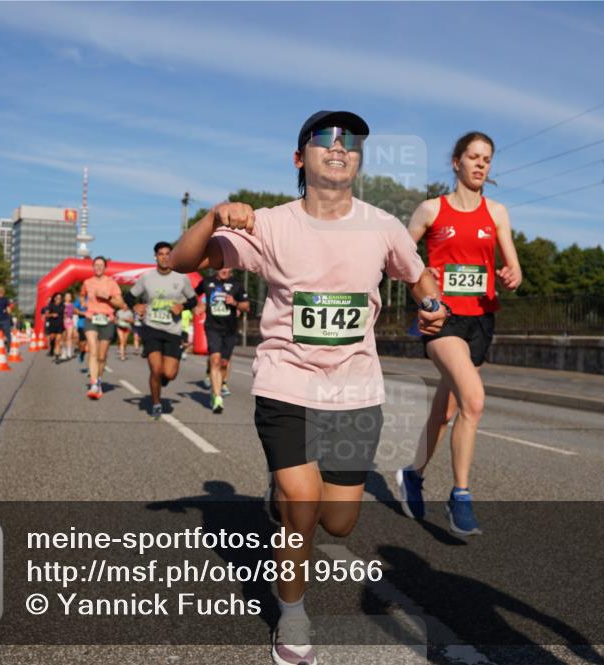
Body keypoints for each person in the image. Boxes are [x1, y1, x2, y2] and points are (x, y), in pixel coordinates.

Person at [168, 110, 446, 665]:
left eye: (350, 141)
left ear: (358, 160)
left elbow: (416, 273)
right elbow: (185, 261)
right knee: (303, 501)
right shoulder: (269, 224)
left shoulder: (382, 225)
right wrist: (214, 216)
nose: (338, 146)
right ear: (301, 158)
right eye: (324, 139)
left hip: (355, 393)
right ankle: (293, 616)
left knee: (339, 522)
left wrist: (432, 303)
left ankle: (283, 495)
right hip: (286, 384)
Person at [396, 131, 522, 537]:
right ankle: (461, 496)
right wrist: (422, 274)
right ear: (456, 162)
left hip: (481, 319)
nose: (481, 164)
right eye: (473, 157)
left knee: (445, 411)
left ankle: (412, 474)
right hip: (443, 318)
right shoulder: (431, 210)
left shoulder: (498, 213)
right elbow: (396, 255)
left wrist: (510, 274)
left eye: (487, 158)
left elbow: (513, 270)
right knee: (474, 400)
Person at [128, 241, 198, 420]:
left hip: (173, 331)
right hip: (151, 328)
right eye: (161, 254)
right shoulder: (147, 278)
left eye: (168, 254)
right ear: (155, 257)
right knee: (156, 369)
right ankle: (156, 403)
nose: (165, 257)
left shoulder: (181, 278)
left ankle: (163, 379)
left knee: (170, 373)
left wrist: (182, 306)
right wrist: (136, 306)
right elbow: (129, 296)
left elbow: (193, 300)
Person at [196, 267, 249, 411]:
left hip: (230, 329)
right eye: (221, 267)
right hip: (212, 327)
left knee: (224, 363)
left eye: (227, 267)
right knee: (215, 360)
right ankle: (217, 396)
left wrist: (235, 303)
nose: (224, 270)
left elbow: (247, 306)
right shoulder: (207, 282)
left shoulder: (237, 285)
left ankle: (221, 384)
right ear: (216, 268)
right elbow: (193, 295)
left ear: (231, 269)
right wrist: (199, 305)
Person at [80, 256, 126, 398]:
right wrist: (84, 303)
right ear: (93, 267)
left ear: (105, 268)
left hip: (107, 319)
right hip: (91, 318)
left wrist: (108, 298)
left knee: (101, 355)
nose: (98, 267)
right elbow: (82, 295)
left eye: (101, 265)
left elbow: (121, 304)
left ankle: (99, 380)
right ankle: (93, 383)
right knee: (92, 351)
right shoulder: (87, 282)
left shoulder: (111, 283)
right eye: (96, 265)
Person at [44, 293, 65, 360]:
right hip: (52, 324)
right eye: (57, 298)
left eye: (60, 298)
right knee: (52, 338)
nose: (58, 299)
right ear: (54, 298)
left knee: (58, 340)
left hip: (60, 324)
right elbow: (46, 315)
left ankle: (57, 354)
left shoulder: (63, 305)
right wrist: (52, 314)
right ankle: (52, 348)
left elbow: (65, 314)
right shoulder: (50, 305)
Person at [61, 291, 76, 361]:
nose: (68, 297)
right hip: (62, 322)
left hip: (70, 321)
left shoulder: (72, 305)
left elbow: (74, 313)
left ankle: (69, 352)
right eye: (67, 296)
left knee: (69, 337)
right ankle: (63, 351)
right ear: (64, 297)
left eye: (69, 296)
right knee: (64, 337)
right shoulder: (61, 305)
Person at [74, 293, 88, 363]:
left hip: (93, 323)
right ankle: (82, 352)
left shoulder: (93, 298)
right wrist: (83, 313)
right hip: (82, 323)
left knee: (91, 342)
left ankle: (92, 360)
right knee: (83, 342)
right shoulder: (79, 299)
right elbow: (75, 310)